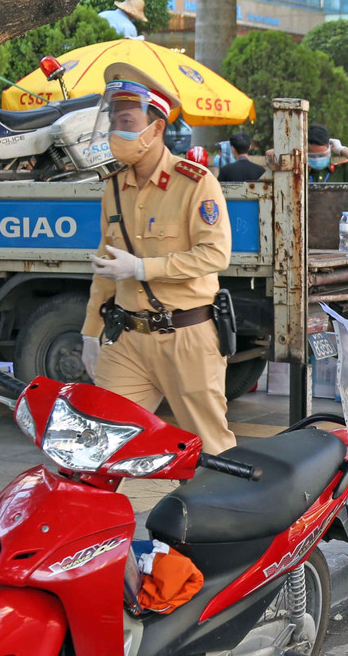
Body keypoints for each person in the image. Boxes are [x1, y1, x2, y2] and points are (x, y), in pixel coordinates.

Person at [79, 62, 236, 455]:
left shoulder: (195, 183)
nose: (117, 132)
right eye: (114, 121)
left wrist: (141, 269)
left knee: (210, 451)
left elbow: (215, 254)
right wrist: (90, 331)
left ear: (156, 128)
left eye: (127, 122)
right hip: (127, 340)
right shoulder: (115, 188)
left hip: (187, 337)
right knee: (98, 444)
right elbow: (106, 266)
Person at [266, 124, 348, 182]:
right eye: (312, 155)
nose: (317, 159)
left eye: (322, 155)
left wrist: (341, 150)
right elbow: (270, 155)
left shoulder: (342, 171)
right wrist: (295, 146)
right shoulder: (297, 170)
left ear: (330, 149)